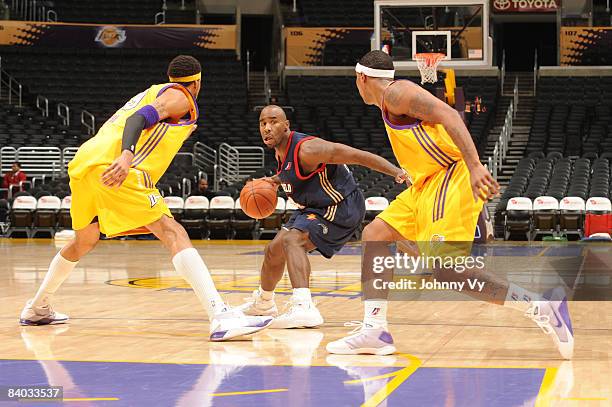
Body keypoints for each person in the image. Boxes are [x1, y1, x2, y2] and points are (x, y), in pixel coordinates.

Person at [325, 50, 573, 359]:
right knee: (375, 234)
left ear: (361, 78)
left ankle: (540, 305)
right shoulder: (389, 102)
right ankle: (374, 330)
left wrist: (475, 167)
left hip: (448, 176)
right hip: (424, 184)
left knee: (447, 272)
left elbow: (451, 115)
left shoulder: (398, 92)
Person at [19, 55, 272, 341]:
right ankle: (220, 316)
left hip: (86, 165)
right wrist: (127, 155)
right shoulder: (181, 97)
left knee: (84, 239)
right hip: (117, 169)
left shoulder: (155, 91)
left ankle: (38, 307)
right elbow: (138, 118)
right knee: (173, 232)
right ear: (198, 82)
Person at [239, 105, 408, 328]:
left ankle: (303, 307)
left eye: (273, 122)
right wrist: (274, 181)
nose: (267, 128)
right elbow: (292, 173)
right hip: (314, 207)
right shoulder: (281, 151)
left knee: (293, 241)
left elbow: (357, 155)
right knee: (273, 251)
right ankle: (264, 303)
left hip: (341, 206)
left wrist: (397, 172)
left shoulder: (309, 149)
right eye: (263, 123)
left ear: (287, 125)